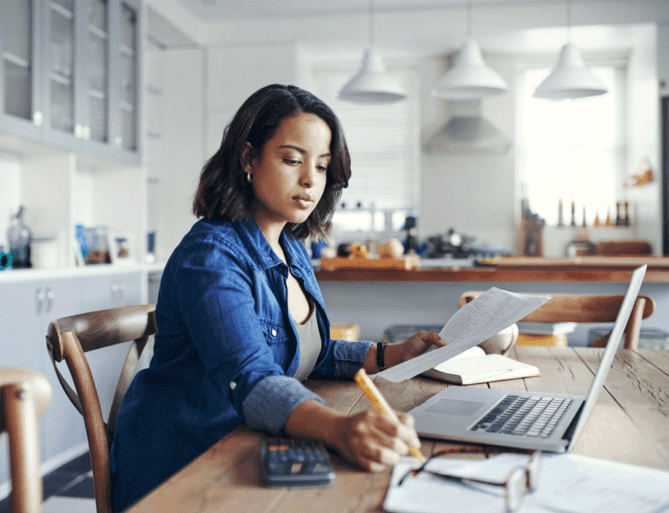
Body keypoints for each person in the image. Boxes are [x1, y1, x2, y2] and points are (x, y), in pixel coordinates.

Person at [110, 84, 442, 512]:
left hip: (248, 445)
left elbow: (309, 353)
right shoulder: (211, 257)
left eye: (322, 167)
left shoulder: (292, 248)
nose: (310, 180)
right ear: (249, 158)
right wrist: (339, 428)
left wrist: (391, 354)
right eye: (292, 160)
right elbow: (252, 376)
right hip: (186, 466)